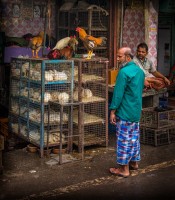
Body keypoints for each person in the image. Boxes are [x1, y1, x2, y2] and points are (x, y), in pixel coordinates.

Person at [109, 47, 145, 178]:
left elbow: (118, 94)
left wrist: (113, 111)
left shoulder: (123, 72)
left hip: (125, 111)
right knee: (134, 138)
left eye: (119, 57)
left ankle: (124, 169)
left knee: (123, 140)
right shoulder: (140, 72)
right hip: (135, 111)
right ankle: (134, 163)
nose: (117, 59)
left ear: (128, 57)